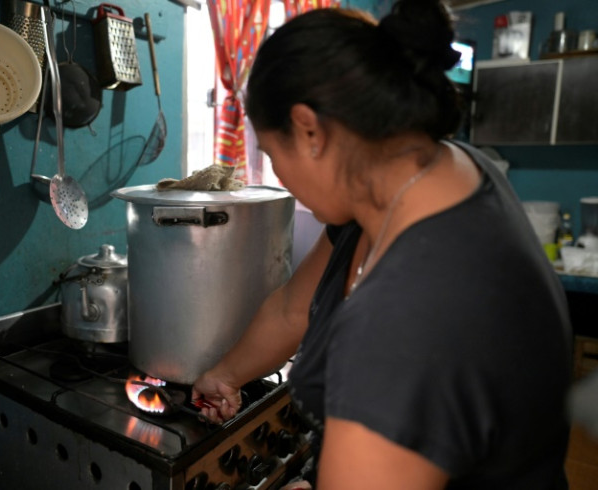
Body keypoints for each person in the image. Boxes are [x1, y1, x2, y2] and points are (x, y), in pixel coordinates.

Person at [191, 1, 573, 488]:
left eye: (271, 152)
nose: (279, 176)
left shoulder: (404, 322)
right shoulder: (423, 177)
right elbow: (292, 308)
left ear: (310, 131)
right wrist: (223, 374)